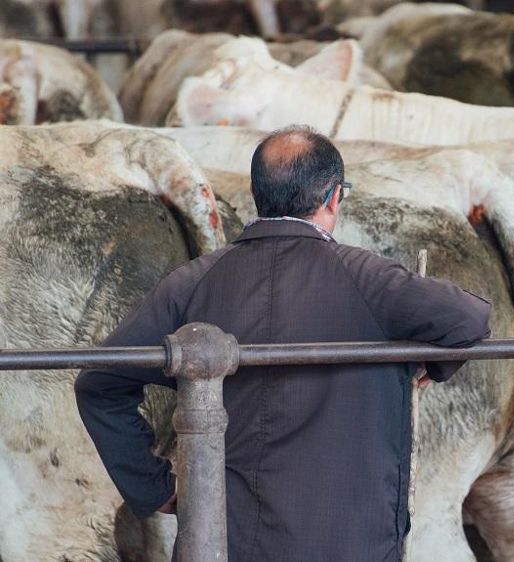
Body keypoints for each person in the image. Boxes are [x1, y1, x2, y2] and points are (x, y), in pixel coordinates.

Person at [75, 125, 492, 561]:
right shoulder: (368, 278)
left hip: (223, 539)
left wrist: (152, 487)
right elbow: (470, 317)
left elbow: (99, 383)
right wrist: (427, 364)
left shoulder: (191, 283)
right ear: (333, 197)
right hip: (348, 541)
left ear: (257, 194)